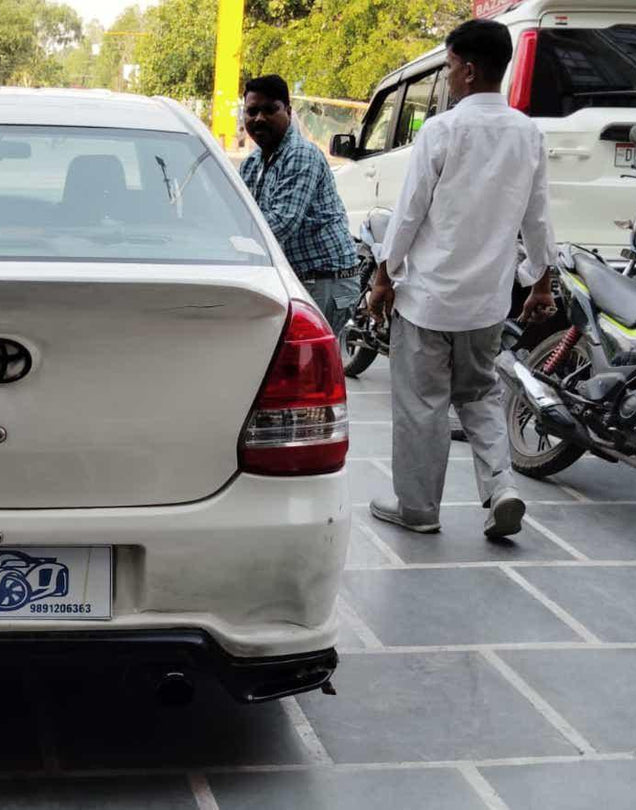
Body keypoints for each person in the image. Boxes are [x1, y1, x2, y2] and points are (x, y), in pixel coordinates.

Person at [366, 18, 557, 539]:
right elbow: (538, 217)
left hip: (428, 300)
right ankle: (500, 488)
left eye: (449, 67)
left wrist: (384, 276)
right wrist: (541, 280)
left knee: (422, 405)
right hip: (486, 304)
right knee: (480, 396)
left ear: (468, 70)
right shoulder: (527, 134)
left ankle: (419, 509)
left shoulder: (443, 130)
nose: (448, 76)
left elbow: (408, 214)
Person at [238, 75, 360, 336]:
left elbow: (281, 224)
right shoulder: (252, 162)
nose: (259, 118)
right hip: (297, 279)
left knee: (309, 369)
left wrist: (227, 238)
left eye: (270, 110)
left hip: (327, 281)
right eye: (252, 111)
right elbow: (237, 213)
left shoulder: (300, 154)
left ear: (289, 112)